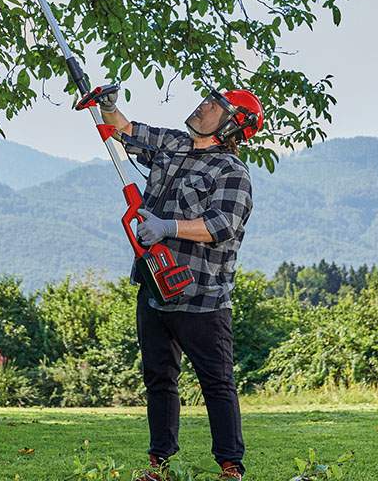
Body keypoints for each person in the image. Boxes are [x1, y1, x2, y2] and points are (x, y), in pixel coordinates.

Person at [97, 87, 264, 481]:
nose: (202, 105)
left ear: (231, 125)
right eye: (207, 100)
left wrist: (168, 226)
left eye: (214, 106)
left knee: (217, 383)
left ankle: (230, 467)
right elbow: (126, 131)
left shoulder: (232, 173)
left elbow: (222, 226)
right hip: (155, 286)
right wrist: (107, 107)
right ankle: (161, 465)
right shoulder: (173, 144)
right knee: (158, 378)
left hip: (201, 295)